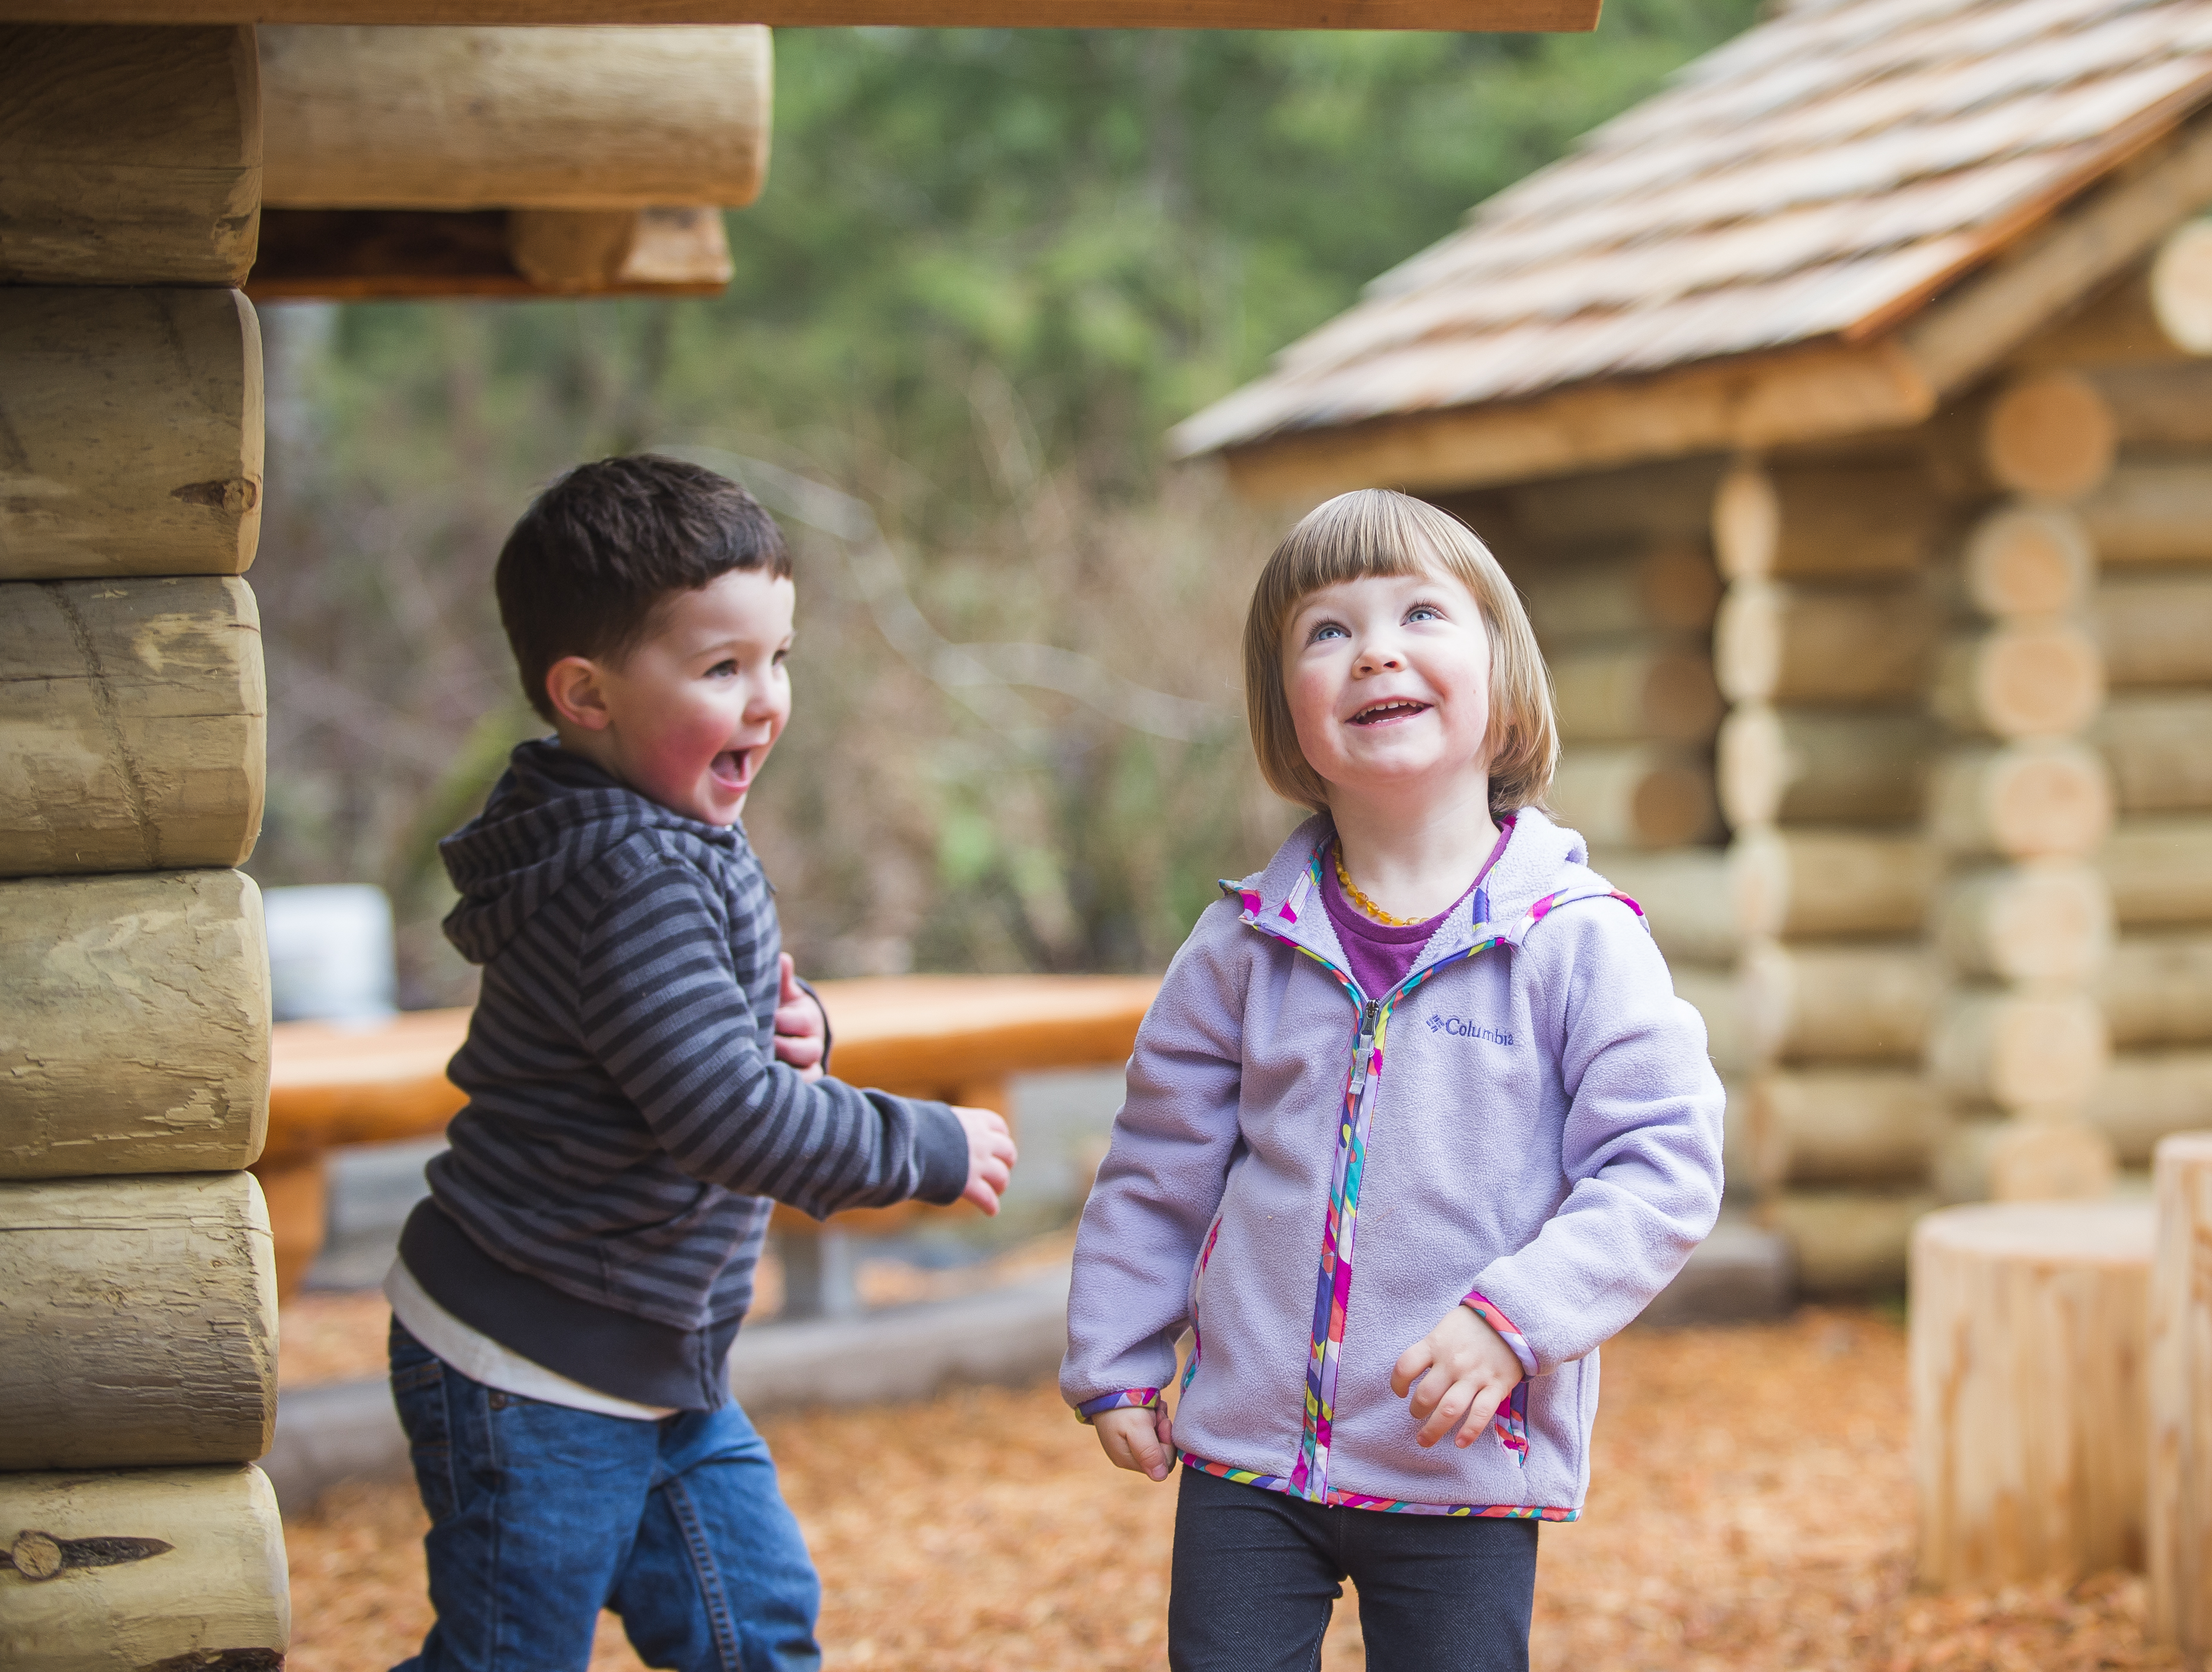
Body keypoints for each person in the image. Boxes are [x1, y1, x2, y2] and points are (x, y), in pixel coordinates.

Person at [1062, 488, 1724, 1672]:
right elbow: (1158, 1164)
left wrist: (1510, 1323)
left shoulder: (1573, 940)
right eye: (1325, 630)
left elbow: (1660, 1163)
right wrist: (1114, 1350)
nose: (1373, 647)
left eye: (1420, 612)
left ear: (1502, 675)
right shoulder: (1240, 946)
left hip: (1456, 1454)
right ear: (1290, 716)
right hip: (1248, 1465)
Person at [385, 454, 1017, 1671]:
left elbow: (691, 1041)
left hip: (656, 1356)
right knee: (507, 1657)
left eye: (778, 658)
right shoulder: (628, 870)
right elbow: (725, 1117)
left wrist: (800, 1034)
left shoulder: (665, 823)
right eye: (722, 668)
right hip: (534, 1360)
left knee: (754, 1630)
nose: (767, 698)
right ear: (586, 693)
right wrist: (917, 1142)